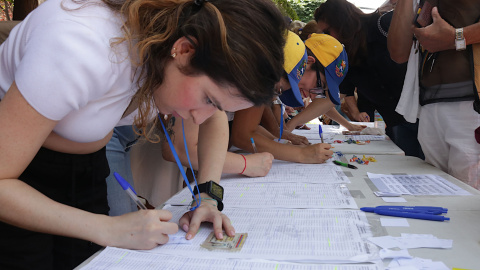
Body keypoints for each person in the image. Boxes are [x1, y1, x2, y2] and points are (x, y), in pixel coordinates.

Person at [0, 0, 287, 268]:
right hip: (18, 177)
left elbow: (214, 121)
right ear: (184, 50)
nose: (201, 117)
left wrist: (208, 196)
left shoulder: (169, 56)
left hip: (86, 170)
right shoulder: (82, 45)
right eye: (210, 100)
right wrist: (107, 228)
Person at [314, 0, 424, 159]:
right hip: (396, 123)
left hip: (423, 115)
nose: (327, 38)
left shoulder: (384, 25)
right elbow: (333, 98)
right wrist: (289, 127)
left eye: (327, 32)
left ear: (341, 22)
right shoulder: (346, 55)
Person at [388, 0, 480, 188]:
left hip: (472, 104)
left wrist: (458, 36)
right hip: (430, 104)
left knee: (469, 201)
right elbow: (398, 52)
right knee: (440, 196)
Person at [231, 32, 352, 164]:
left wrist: (278, 141)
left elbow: (252, 118)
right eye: (319, 85)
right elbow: (242, 134)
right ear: (308, 63)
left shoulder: (275, 77)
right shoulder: (267, 74)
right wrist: (300, 154)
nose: (311, 96)